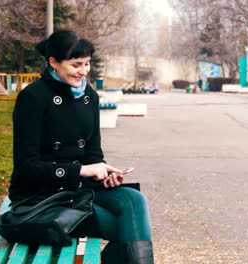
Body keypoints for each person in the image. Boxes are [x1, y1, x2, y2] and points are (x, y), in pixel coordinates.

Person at [8, 29, 154, 264]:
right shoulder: (33, 98)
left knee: (135, 200)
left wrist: (103, 173)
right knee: (127, 228)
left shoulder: (89, 96)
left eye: (87, 64)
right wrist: (81, 171)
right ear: (53, 62)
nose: (84, 71)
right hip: (42, 198)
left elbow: (93, 154)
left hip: (78, 190)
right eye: (76, 65)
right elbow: (27, 166)